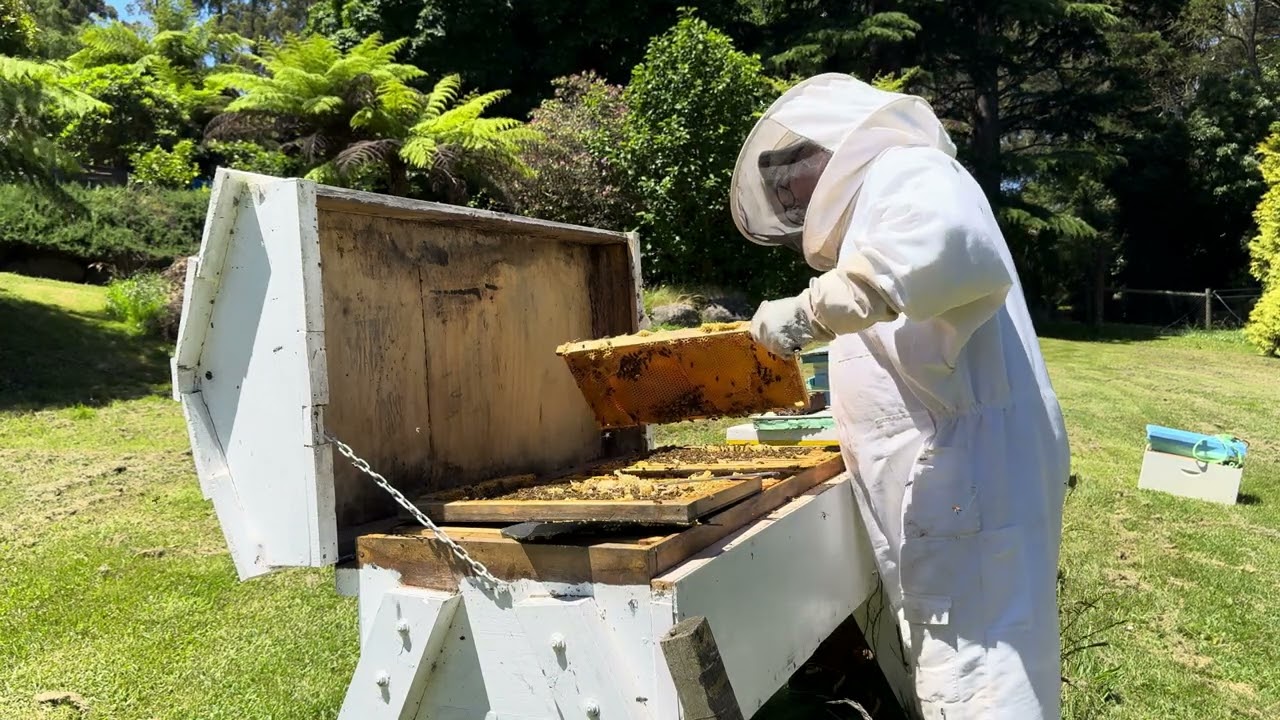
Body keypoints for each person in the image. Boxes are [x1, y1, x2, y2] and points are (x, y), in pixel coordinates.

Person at [729, 73, 1071, 720]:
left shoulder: (910, 172)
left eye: (787, 178)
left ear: (830, 151)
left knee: (983, 678)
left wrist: (808, 313)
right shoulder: (882, 201)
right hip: (952, 469)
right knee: (965, 665)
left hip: (966, 472)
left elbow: (938, 251)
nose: (786, 196)